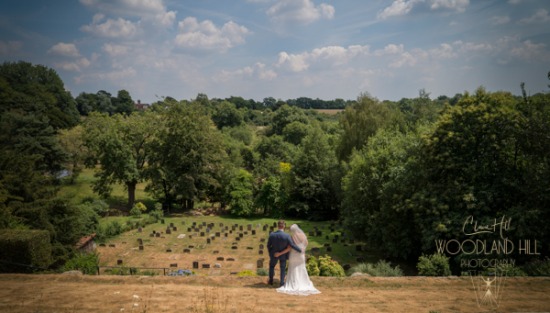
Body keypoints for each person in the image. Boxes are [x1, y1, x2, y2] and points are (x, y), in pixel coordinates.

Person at [274, 224, 321, 296]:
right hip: (301, 256)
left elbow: (289, 248)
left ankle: (294, 283)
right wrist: (302, 249)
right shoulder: (303, 235)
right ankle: (303, 283)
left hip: (293, 256)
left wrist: (279, 254)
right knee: (302, 269)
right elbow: (306, 243)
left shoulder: (292, 237)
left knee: (293, 269)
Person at [267, 220, 302, 286]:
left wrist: (271, 253)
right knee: (282, 268)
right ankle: (282, 282)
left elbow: (268, 245)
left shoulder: (272, 235)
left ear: (278, 226)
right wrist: (300, 250)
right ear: (284, 226)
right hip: (283, 254)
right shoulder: (287, 236)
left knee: (272, 266)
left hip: (274, 254)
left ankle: (271, 281)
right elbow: (292, 245)